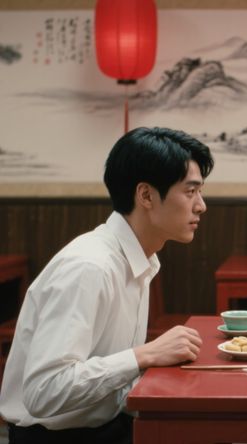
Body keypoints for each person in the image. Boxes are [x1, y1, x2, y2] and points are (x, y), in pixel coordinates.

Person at [0, 127, 214, 443]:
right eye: (190, 191)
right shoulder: (90, 266)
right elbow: (43, 391)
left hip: (109, 425)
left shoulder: (141, 258)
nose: (201, 205)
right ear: (146, 195)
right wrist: (143, 356)